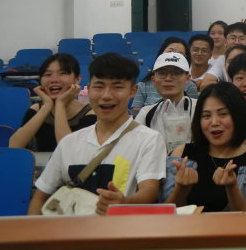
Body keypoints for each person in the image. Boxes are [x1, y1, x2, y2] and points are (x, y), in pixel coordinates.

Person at [28, 53, 166, 216]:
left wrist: (123, 202)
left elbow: (149, 191)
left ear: (133, 91)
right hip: (72, 229)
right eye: (99, 87)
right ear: (89, 89)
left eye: (117, 87)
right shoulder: (69, 142)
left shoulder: (149, 139)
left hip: (121, 229)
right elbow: (39, 198)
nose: (106, 95)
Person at [165, 82, 246, 212]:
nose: (214, 122)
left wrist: (232, 188)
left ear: (239, 115)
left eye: (223, 114)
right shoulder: (182, 154)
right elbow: (166, 216)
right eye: (206, 116)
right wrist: (181, 189)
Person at [10, 53, 96, 151]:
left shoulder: (90, 114)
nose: (54, 80)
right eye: (47, 74)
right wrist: (47, 106)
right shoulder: (36, 109)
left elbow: (68, 152)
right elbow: (14, 146)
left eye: (63, 73)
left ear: (77, 79)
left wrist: (60, 104)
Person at [135, 52, 197, 153]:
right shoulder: (146, 113)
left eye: (176, 73)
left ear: (187, 78)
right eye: (162, 73)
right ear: (153, 80)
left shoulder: (201, 108)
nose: (168, 78)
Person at [133, 38, 199, 112]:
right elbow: (136, 112)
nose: (173, 55)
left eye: (180, 54)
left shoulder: (190, 87)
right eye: (170, 51)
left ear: (187, 79)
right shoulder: (143, 85)